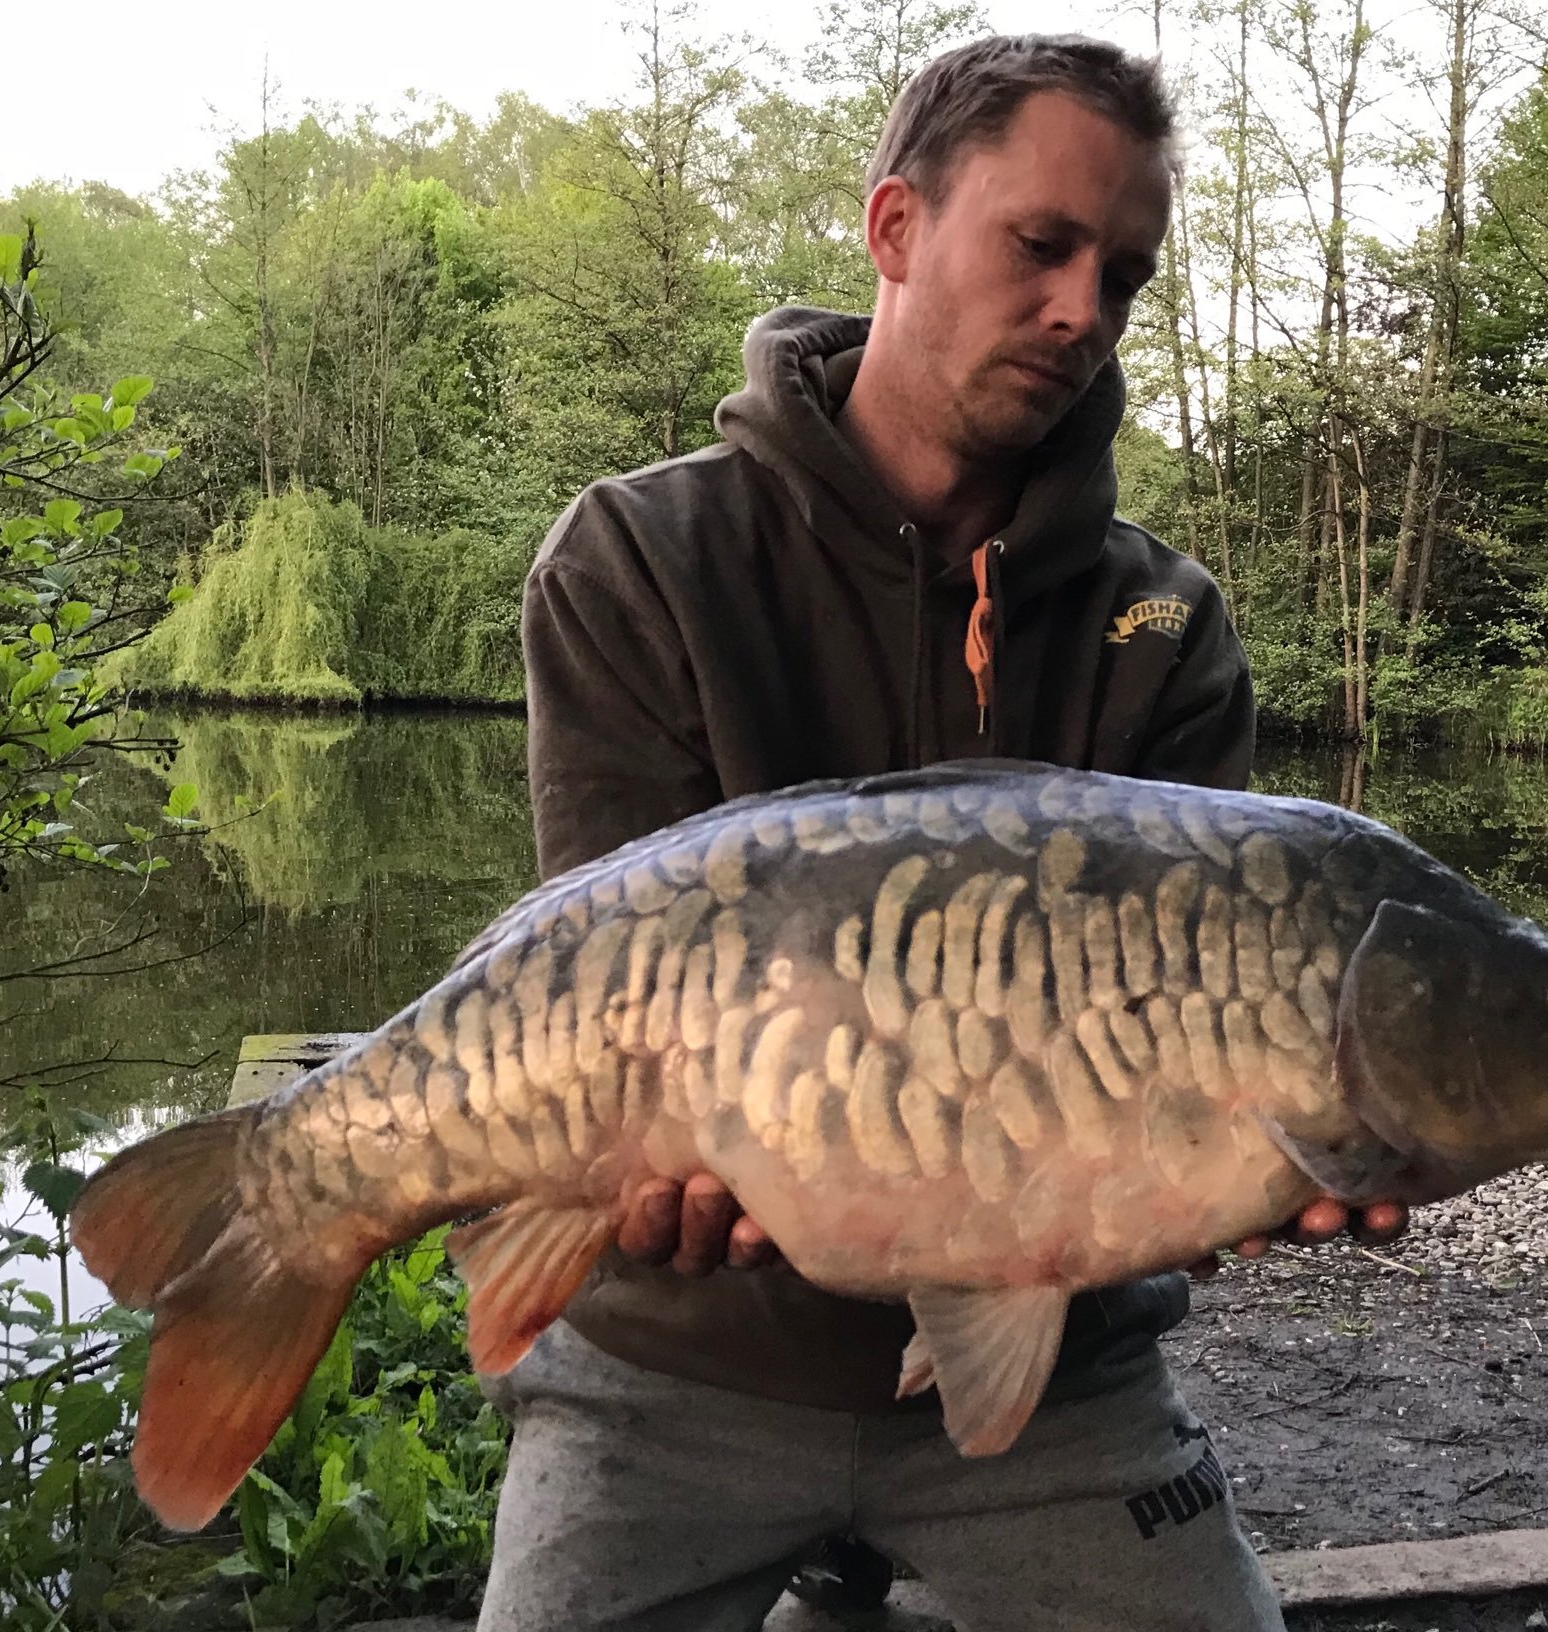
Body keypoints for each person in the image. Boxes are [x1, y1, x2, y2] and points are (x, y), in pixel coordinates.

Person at [480, 33, 1406, 1632]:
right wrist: (616, 1177)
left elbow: (1220, 1085)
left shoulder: (1165, 628)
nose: (1081, 312)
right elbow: (599, 986)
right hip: (681, 1366)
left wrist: (1275, 1150)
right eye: (1040, 246)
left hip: (1054, 1379)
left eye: (1121, 274)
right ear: (895, 229)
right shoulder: (641, 557)